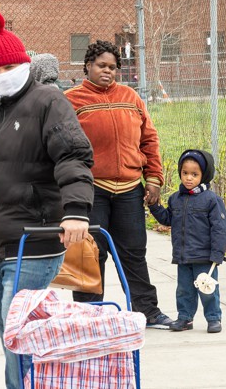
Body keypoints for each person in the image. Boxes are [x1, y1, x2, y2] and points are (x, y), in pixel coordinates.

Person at [0, 11, 94, 389]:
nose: (3, 74)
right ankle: (37, 381)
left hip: (34, 239)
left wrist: (76, 211)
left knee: (18, 330)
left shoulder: (49, 102)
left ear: (26, 64)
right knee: (3, 324)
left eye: (11, 65)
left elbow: (73, 156)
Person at [64, 40, 174, 329]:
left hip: (128, 190)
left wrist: (153, 179)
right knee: (90, 255)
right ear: (88, 65)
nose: (108, 71)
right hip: (91, 191)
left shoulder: (131, 97)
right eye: (102, 65)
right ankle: (89, 316)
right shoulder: (71, 100)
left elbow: (149, 139)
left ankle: (147, 312)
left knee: (133, 252)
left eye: (113, 67)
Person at [149, 150, 226, 333]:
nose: (189, 178)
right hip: (183, 256)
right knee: (184, 291)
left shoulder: (212, 200)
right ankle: (185, 318)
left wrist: (217, 255)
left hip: (205, 257)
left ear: (204, 175)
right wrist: (154, 206)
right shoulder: (176, 198)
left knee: (207, 290)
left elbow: (219, 229)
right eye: (185, 173)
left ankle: (214, 318)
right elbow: (168, 219)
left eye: (194, 174)